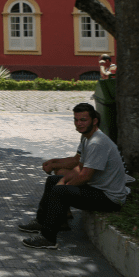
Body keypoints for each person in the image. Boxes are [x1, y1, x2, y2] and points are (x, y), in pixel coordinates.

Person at [18, 103, 129, 250]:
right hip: (97, 188)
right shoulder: (86, 138)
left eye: (83, 120)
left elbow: (85, 177)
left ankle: (48, 238)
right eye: (76, 120)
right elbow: (79, 167)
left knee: (59, 191)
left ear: (94, 121)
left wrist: (62, 186)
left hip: (110, 198)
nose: (79, 124)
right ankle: (42, 221)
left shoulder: (97, 143)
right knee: (53, 181)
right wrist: (61, 179)